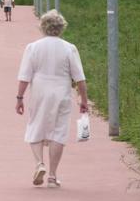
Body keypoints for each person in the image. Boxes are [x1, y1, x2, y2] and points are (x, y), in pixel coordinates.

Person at [15, 10, 89, 188]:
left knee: (35, 126)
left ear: (43, 27)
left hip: (40, 90)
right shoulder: (69, 48)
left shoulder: (33, 47)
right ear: (61, 28)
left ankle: (40, 164)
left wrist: (19, 98)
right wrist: (84, 100)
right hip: (61, 91)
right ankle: (53, 176)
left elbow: (25, 76)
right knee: (59, 131)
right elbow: (80, 78)